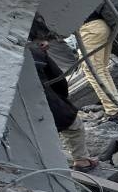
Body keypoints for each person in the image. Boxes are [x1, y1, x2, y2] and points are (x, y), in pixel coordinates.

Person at [30, 39, 97, 171]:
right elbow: (59, 79)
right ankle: (81, 160)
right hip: (44, 99)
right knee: (73, 125)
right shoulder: (34, 51)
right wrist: (61, 98)